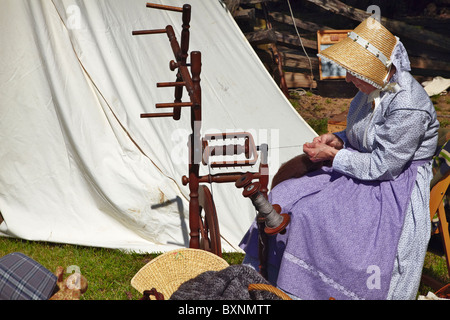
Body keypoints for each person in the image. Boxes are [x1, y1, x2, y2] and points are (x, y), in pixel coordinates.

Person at [240, 17, 439, 300]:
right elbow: (367, 132)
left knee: (312, 216)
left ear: (374, 70)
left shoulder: (409, 105)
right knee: (284, 193)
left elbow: (383, 165)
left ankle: (316, 290)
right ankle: (271, 278)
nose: (347, 79)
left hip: (392, 186)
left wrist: (333, 155)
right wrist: (339, 139)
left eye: (352, 72)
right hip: (359, 169)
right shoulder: (369, 89)